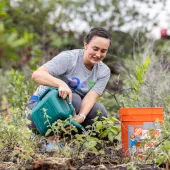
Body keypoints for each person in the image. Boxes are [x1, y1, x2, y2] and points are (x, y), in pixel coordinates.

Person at [26, 27, 112, 132]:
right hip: (39, 108)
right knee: (73, 99)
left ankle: (79, 143)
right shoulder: (69, 58)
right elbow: (37, 75)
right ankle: (48, 139)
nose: (98, 54)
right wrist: (61, 84)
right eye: (95, 49)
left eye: (103, 51)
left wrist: (81, 117)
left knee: (99, 111)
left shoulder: (104, 71)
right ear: (86, 45)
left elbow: (90, 98)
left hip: (70, 109)